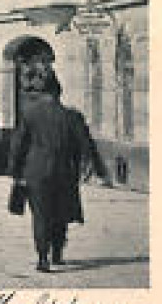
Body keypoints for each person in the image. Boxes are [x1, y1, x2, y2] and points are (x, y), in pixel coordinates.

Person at [8, 71, 112, 272]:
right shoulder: (72, 116)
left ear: (42, 92)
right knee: (60, 213)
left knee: (41, 214)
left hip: (36, 172)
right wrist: (97, 169)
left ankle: (42, 258)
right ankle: (57, 253)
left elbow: (18, 145)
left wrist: (15, 172)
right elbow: (86, 145)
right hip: (64, 172)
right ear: (59, 93)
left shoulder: (30, 114)